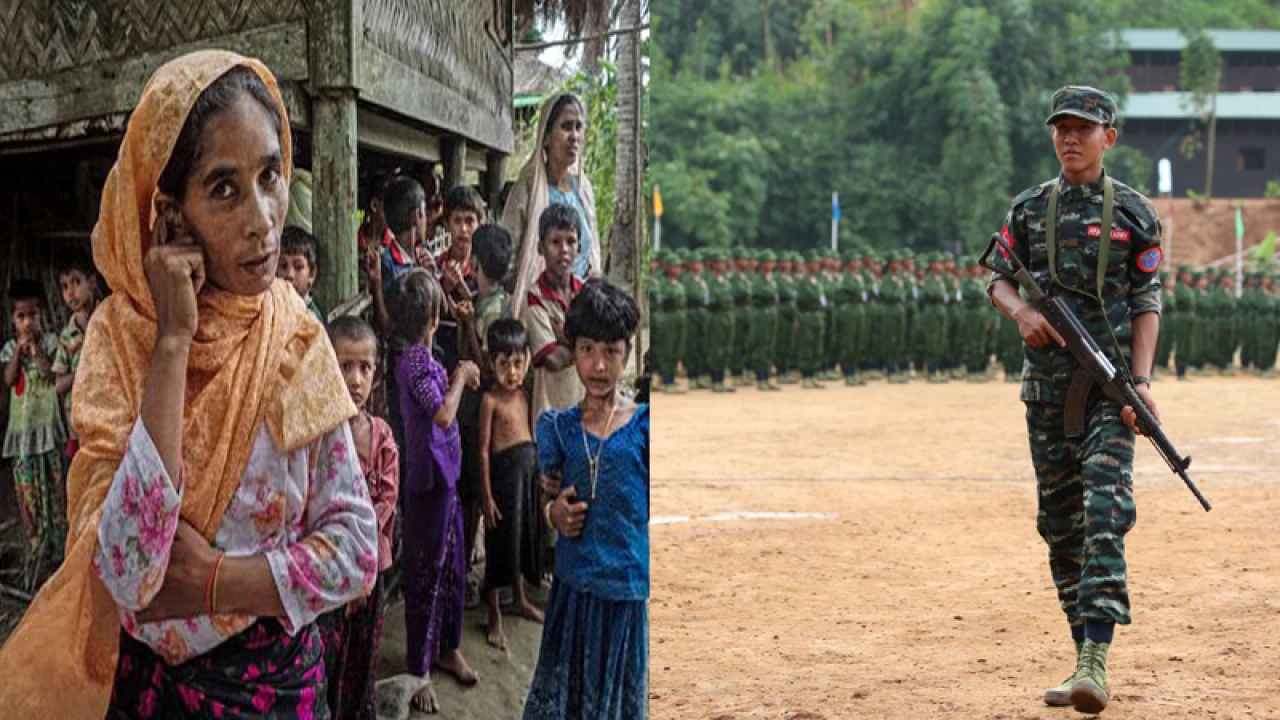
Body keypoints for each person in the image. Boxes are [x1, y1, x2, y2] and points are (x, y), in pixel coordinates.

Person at [0, 52, 378, 717]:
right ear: (171, 214)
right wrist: (173, 342)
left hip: (273, 686)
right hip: (151, 691)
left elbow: (355, 549)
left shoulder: (293, 337)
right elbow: (126, 572)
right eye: (224, 189)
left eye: (270, 175)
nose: (263, 217)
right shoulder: (124, 339)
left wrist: (214, 583)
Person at [986, 86, 1163, 714]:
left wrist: (1139, 384)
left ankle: (1096, 660)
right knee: (1060, 527)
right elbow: (997, 278)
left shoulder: (1136, 213)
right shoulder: (1030, 209)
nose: (1070, 138)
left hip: (1109, 391)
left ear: (1108, 137)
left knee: (1106, 509)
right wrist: (1021, 312)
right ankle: (1080, 654)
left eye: (1083, 128)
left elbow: (1147, 302)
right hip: (1046, 391)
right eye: (1061, 127)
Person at [523, 279, 648, 720]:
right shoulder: (557, 429)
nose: (598, 365)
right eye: (587, 350)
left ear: (627, 354)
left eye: (611, 352)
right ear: (572, 351)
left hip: (625, 596)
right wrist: (552, 514)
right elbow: (546, 500)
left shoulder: (646, 428)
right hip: (573, 594)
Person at [392, 268, 482, 714]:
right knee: (426, 574)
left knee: (451, 568)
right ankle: (419, 667)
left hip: (445, 480)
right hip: (428, 485)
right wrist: (463, 374)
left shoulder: (423, 357)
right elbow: (443, 416)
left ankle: (447, 647)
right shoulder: (412, 364)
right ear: (431, 319)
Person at [321, 316, 400, 720]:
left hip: (371, 567)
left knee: (363, 652)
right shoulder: (318, 434)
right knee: (328, 652)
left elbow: (386, 501)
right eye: (344, 366)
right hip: (327, 570)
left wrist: (362, 572)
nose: (355, 379)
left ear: (376, 372)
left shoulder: (382, 435)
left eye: (364, 368)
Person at [479, 318, 546, 651]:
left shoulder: (524, 393)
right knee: (498, 547)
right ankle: (493, 612)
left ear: (528, 361)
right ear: (491, 364)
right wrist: (487, 496)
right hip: (503, 482)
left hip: (526, 478)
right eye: (504, 364)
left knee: (521, 541)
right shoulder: (490, 401)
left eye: (518, 363)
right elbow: (482, 451)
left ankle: (519, 598)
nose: (512, 372)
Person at [505, 94, 601, 316]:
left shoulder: (583, 190)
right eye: (566, 127)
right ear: (546, 136)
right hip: (540, 308)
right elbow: (508, 257)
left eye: (578, 127)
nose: (574, 136)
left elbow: (591, 253)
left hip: (584, 308)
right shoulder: (529, 187)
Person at [3, 278, 67, 565]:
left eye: (32, 315)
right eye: (21, 317)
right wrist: (18, 352)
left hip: (48, 432)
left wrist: (38, 353)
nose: (28, 322)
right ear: (13, 320)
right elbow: (9, 379)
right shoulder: (8, 349)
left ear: (41, 314)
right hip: (23, 434)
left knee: (53, 486)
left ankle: (57, 543)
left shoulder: (53, 343)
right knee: (28, 490)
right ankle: (36, 544)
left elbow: (54, 376)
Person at [522, 203, 586, 423]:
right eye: (555, 242)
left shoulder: (586, 293)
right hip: (550, 415)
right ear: (541, 247)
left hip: (584, 408)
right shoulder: (535, 296)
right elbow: (553, 360)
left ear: (579, 247)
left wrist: (565, 337)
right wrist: (586, 342)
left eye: (571, 241)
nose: (564, 250)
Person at [52, 251, 100, 463]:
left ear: (91, 283)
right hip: (77, 426)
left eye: (76, 282)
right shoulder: (66, 336)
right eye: (64, 286)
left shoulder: (106, 320)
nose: (70, 292)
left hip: (105, 417)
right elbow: (59, 385)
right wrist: (80, 372)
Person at [279, 225, 325, 322]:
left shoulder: (312, 319)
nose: (289, 275)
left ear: (312, 274)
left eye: (298, 267)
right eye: (283, 266)